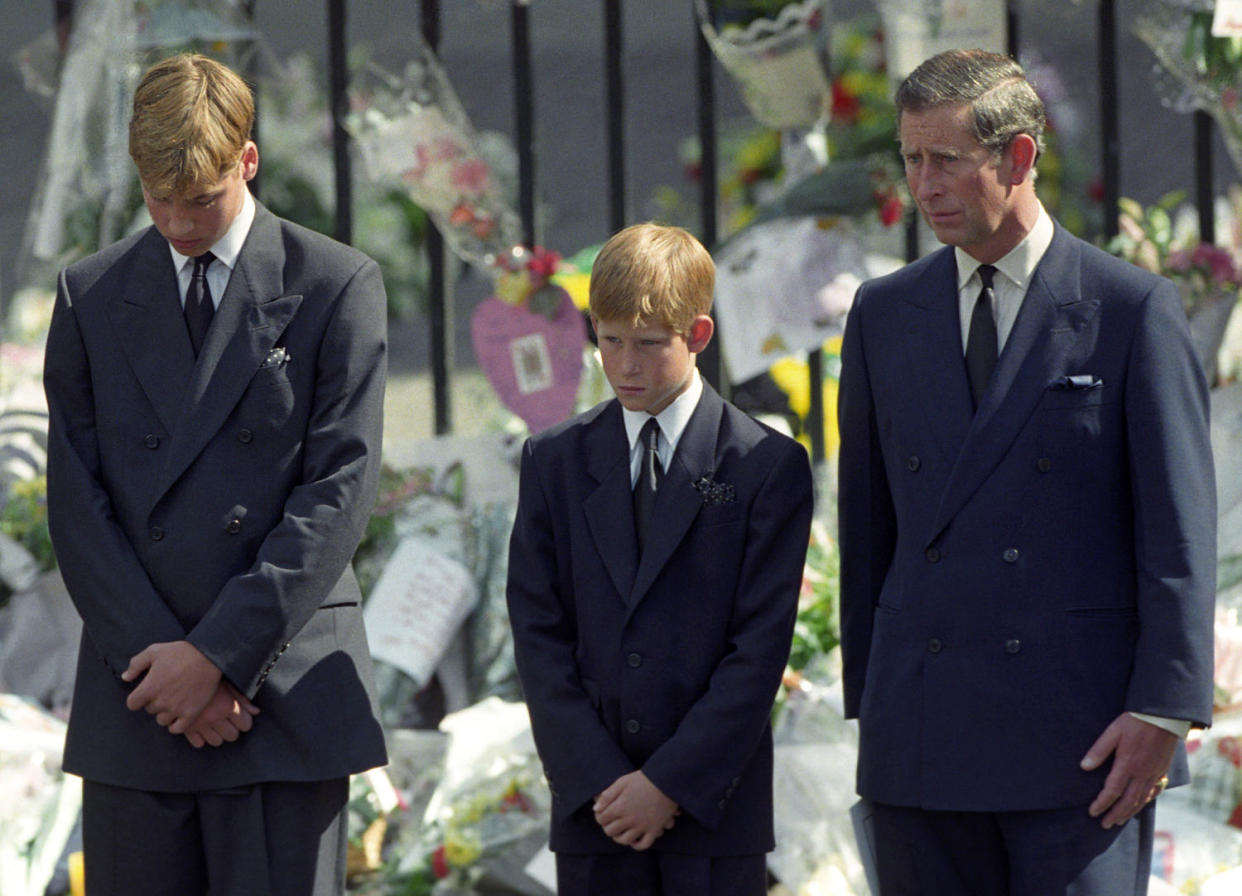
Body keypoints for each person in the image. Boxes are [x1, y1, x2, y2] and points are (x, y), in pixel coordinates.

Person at [837, 48, 1217, 894]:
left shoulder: (1132, 310)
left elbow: (1179, 533)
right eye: (911, 159)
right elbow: (868, 530)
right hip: (922, 740)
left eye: (946, 160)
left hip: (1081, 746)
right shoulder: (883, 313)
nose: (923, 184)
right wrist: (876, 708)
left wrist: (1161, 712)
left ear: (1017, 157)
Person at [43, 53, 388, 896]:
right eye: (157, 199)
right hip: (142, 693)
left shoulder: (335, 285)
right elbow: (76, 500)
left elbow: (339, 488)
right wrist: (164, 668)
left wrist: (222, 659)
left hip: (280, 691)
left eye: (200, 199)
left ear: (248, 160)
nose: (179, 224)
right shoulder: (92, 294)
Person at [506, 222, 814, 895]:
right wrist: (598, 778)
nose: (624, 366)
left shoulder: (765, 466)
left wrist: (670, 783)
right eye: (608, 341)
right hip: (597, 811)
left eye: (648, 345)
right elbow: (537, 630)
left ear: (698, 335)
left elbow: (759, 648)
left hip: (712, 813)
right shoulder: (555, 462)